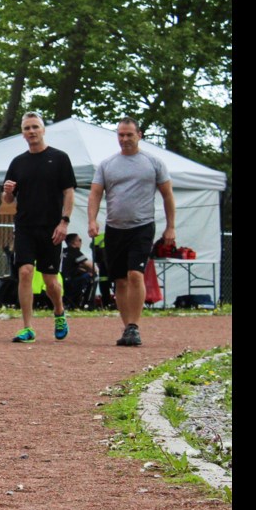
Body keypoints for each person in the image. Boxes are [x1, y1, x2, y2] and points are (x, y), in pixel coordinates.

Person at [88, 116, 176, 346]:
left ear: (139, 135)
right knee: (120, 280)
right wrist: (92, 220)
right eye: (121, 135)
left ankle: (135, 325)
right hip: (114, 228)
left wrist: (171, 226)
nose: (125, 139)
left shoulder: (153, 163)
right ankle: (127, 327)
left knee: (135, 274)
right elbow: (95, 193)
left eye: (129, 134)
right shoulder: (107, 165)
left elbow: (168, 195)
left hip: (142, 226)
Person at [2, 112, 76, 343]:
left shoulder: (60, 158)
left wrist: (64, 222)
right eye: (27, 128)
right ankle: (27, 327)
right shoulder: (18, 162)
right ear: (22, 133)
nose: (31, 132)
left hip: (51, 228)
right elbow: (7, 200)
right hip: (25, 226)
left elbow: (69, 192)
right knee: (24, 272)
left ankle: (59, 312)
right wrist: (8, 191)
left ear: (43, 130)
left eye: (35, 127)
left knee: (50, 281)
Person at [61, 233, 94, 310]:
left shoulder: (63, 251)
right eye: (80, 240)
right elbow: (92, 267)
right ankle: (87, 304)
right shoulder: (75, 252)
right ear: (74, 242)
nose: (81, 242)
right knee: (92, 277)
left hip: (61, 279)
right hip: (71, 281)